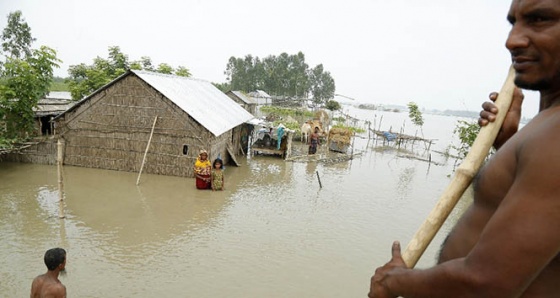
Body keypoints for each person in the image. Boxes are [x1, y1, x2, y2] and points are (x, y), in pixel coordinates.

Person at [370, 0, 560, 297]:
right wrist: (508, 144)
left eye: (539, 19)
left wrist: (393, 281)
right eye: (514, 22)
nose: (512, 40)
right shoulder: (546, 125)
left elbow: (486, 282)